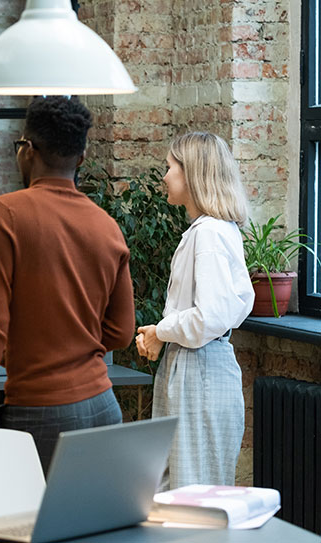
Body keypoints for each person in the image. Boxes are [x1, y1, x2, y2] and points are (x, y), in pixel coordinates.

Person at [0, 96, 136, 473]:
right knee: (90, 529)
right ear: (81, 159)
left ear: (28, 150)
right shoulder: (107, 225)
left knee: (30, 529)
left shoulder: (6, 213)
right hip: (103, 406)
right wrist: (71, 345)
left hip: (41, 412)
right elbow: (122, 332)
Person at [135, 132, 254, 490]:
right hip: (193, 363)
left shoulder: (210, 234)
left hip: (198, 367)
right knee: (178, 486)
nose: (164, 176)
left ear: (192, 174)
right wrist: (165, 335)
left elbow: (211, 317)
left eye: (170, 167)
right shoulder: (215, 230)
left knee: (193, 491)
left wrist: (161, 331)